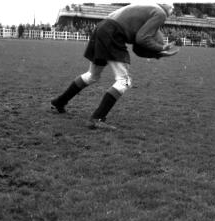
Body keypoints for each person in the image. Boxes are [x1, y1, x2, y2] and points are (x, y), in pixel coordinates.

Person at [51, 2, 179, 130]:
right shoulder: (160, 13)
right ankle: (97, 119)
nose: (173, 9)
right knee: (124, 81)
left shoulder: (145, 7)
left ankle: (59, 102)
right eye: (172, 6)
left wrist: (158, 54)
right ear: (166, 6)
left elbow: (137, 47)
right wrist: (161, 48)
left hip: (101, 28)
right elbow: (142, 39)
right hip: (113, 33)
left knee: (92, 75)